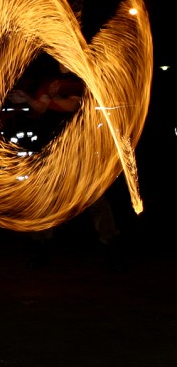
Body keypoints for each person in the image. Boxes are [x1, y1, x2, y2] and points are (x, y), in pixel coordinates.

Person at [7, 60, 125, 271]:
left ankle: (111, 246)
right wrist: (28, 99)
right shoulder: (49, 80)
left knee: (94, 199)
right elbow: (41, 108)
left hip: (78, 149)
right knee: (45, 199)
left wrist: (50, 98)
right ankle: (41, 247)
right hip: (52, 149)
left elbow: (73, 105)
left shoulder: (80, 81)